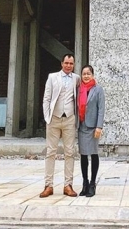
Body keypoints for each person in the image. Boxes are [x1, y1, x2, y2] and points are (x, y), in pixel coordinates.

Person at [40, 52, 80, 198]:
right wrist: (47, 117)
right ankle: (48, 185)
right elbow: (46, 98)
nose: (68, 65)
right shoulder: (52, 77)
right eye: (66, 63)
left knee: (70, 152)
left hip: (69, 119)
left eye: (71, 63)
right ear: (62, 63)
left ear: (73, 65)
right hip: (54, 119)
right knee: (51, 152)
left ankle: (68, 185)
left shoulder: (76, 78)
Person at [77, 64, 105, 197]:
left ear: (92, 75)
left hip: (93, 126)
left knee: (93, 154)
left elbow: (101, 109)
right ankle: (85, 183)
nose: (86, 76)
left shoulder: (98, 89)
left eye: (88, 73)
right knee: (83, 155)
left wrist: (99, 126)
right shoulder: (79, 89)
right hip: (82, 126)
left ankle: (93, 184)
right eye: (84, 74)